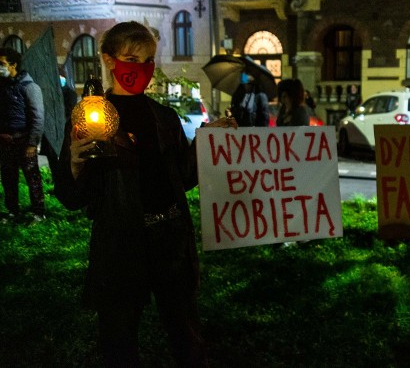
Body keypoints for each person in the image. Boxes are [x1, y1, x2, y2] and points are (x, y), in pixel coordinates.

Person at [54, 21, 235, 367]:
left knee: (185, 330)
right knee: (119, 338)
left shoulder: (165, 117)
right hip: (120, 244)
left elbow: (181, 177)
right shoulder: (91, 120)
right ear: (109, 60)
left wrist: (205, 141)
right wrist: (75, 166)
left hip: (170, 241)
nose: (142, 69)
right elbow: (72, 198)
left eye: (149, 59)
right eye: (131, 58)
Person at [0, 47, 46, 224]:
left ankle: (38, 213)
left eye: (2, 64)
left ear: (14, 65)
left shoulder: (29, 87)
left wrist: (32, 143)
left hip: (24, 140)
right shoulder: (2, 87)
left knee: (32, 178)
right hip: (6, 141)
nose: (0, 67)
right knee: (8, 178)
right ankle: (13, 211)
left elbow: (37, 116)